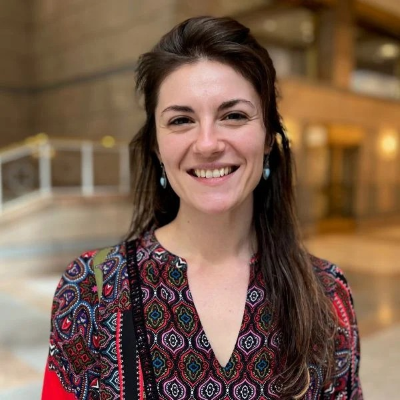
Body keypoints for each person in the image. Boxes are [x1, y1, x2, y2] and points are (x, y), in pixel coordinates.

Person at [42, 16, 362, 400]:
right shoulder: (92, 292)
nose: (208, 143)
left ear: (267, 139)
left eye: (234, 115)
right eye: (181, 120)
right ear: (158, 147)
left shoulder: (327, 296)